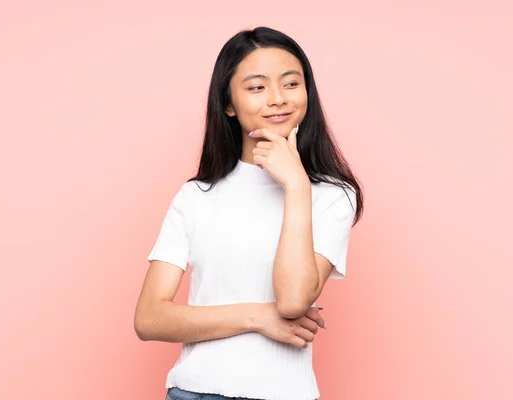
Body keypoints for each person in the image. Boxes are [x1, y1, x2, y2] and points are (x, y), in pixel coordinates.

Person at [134, 26, 363, 400]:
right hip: (194, 392)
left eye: (291, 84)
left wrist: (297, 186)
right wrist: (258, 318)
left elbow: (292, 301)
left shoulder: (332, 196)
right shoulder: (196, 196)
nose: (277, 99)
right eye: (257, 87)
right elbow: (148, 318)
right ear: (228, 104)